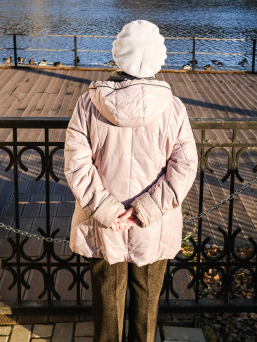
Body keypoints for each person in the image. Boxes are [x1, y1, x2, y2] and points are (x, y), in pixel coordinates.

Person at [64, 20, 198, 342]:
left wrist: (109, 211)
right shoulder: (173, 108)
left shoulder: (89, 104)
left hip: (104, 225)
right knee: (147, 307)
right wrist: (143, 211)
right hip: (152, 224)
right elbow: (184, 166)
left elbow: (76, 165)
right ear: (158, 60)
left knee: (107, 306)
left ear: (118, 56)